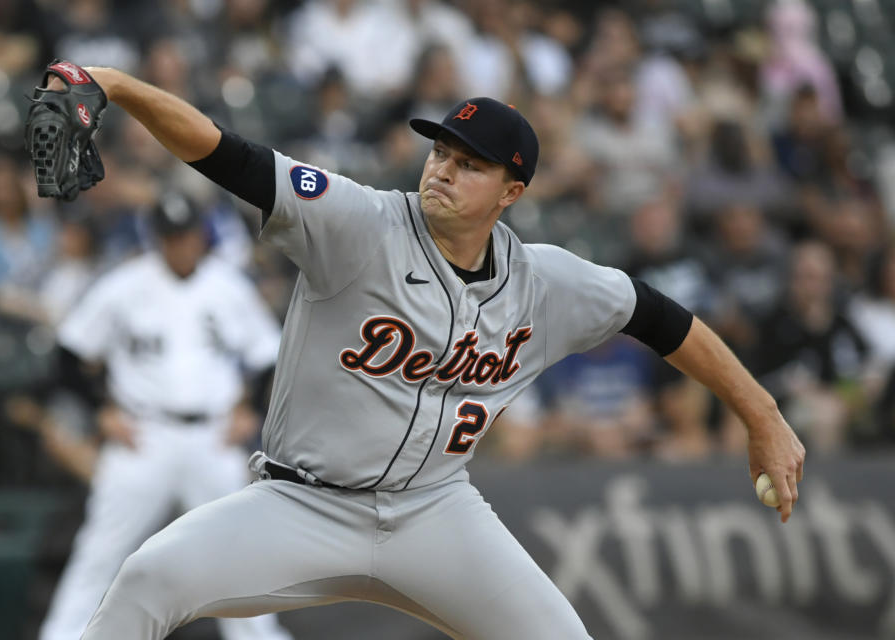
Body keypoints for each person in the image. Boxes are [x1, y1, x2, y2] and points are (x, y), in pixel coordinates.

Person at [43, 65, 804, 640]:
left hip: (436, 511)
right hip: (301, 503)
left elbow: (661, 318)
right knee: (145, 579)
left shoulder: (546, 282)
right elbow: (224, 153)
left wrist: (760, 413)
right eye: (440, 151)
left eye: (469, 163)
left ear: (512, 191)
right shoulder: (357, 222)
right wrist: (111, 84)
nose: (442, 168)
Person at [38, 193, 291, 640]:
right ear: (156, 238)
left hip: (212, 437)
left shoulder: (226, 285)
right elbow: (67, 355)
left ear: (201, 235)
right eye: (171, 237)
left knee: (236, 554)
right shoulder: (125, 286)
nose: (181, 245)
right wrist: (101, 412)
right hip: (143, 435)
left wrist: (250, 409)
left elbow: (269, 355)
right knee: (102, 551)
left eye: (188, 235)